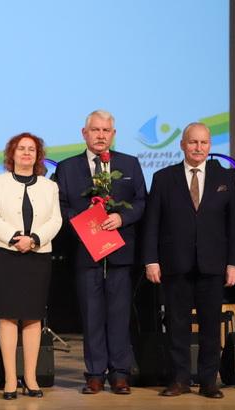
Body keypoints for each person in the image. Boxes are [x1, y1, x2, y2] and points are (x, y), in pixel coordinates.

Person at [143, 122, 235, 399]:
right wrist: (151, 260)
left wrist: (234, 263)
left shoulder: (225, 178)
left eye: (203, 143)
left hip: (213, 265)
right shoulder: (163, 178)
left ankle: (209, 381)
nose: (198, 148)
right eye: (193, 142)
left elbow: (234, 225)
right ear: (182, 145)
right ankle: (180, 380)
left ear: (210, 145)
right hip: (175, 264)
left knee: (211, 326)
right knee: (177, 326)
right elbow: (152, 223)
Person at [55, 110, 147, 395]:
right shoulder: (67, 167)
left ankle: (120, 373)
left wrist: (122, 218)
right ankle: (94, 374)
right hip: (86, 251)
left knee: (119, 315)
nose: (100, 135)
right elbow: (60, 205)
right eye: (95, 130)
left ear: (113, 134)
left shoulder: (129, 164)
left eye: (106, 130)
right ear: (84, 133)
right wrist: (84, 222)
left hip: (120, 252)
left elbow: (141, 201)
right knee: (91, 315)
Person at [0, 132, 62, 400]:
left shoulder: (49, 186)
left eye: (31, 149)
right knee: (7, 316)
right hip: (4, 254)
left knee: (32, 316)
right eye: (21, 148)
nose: (26, 153)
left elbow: (56, 220)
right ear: (12, 154)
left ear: (38, 156)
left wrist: (35, 239)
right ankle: (9, 379)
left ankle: (30, 377)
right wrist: (15, 238)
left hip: (37, 255)